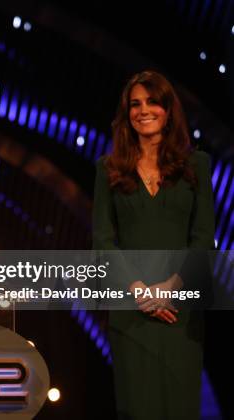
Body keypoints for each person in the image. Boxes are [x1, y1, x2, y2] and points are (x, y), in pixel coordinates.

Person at [92, 70, 215, 420]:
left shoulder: (196, 165)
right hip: (131, 311)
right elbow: (102, 239)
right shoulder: (109, 168)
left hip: (180, 310)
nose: (143, 110)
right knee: (137, 408)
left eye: (152, 102)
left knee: (179, 407)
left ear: (168, 109)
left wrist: (171, 288)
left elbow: (203, 237)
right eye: (135, 104)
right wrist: (139, 292)